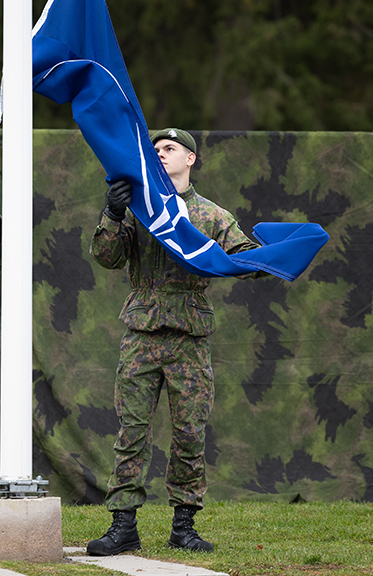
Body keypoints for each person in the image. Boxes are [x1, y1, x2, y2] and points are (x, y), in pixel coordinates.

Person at [86, 128, 264, 556]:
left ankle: (183, 526)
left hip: (189, 335)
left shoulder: (212, 216)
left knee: (189, 433)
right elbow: (107, 258)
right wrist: (112, 215)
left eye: (169, 149)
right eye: (156, 150)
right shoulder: (141, 210)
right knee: (132, 432)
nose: (161, 155)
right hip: (143, 333)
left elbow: (244, 257)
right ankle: (123, 525)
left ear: (190, 159)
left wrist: (268, 257)